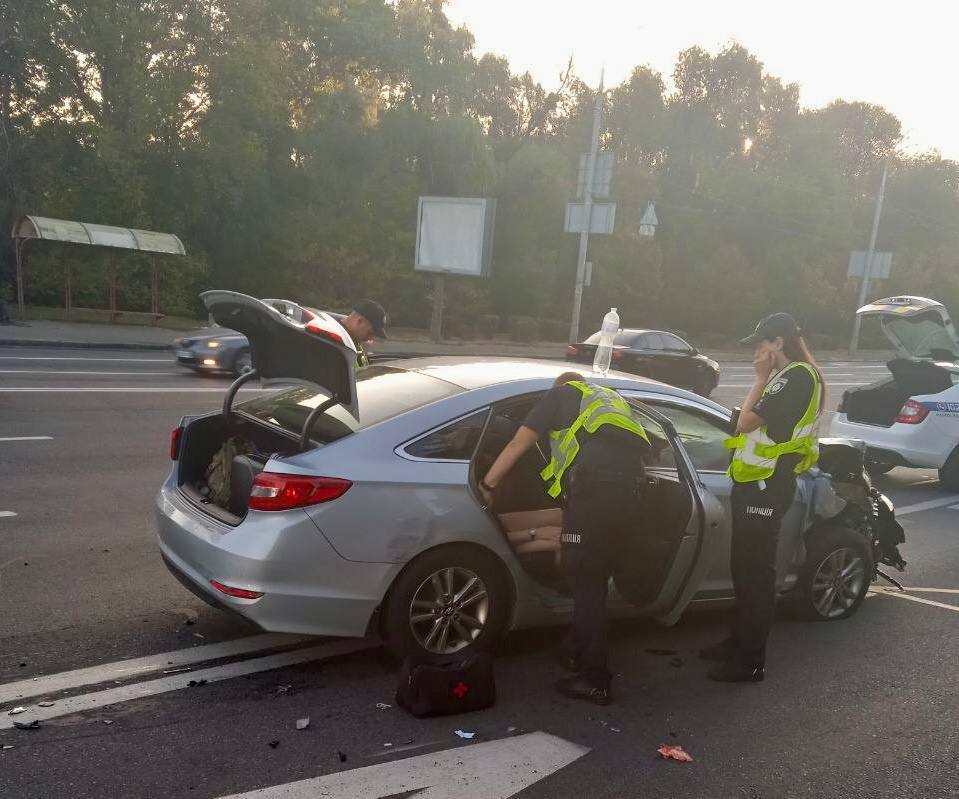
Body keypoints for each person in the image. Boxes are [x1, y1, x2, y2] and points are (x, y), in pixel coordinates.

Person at [479, 371, 651, 705]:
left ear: (561, 387)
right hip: (632, 490)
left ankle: (594, 680)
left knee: (587, 582)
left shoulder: (558, 395)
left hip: (594, 490)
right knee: (596, 573)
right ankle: (573, 649)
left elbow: (518, 443)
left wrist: (488, 484)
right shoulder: (607, 400)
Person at [702, 313, 824, 682]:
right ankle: (737, 641)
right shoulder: (784, 378)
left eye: (761, 345)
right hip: (755, 482)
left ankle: (750, 660)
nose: (757, 353)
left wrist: (758, 379)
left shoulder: (798, 377)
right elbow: (747, 421)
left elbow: (747, 422)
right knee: (744, 567)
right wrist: (763, 380)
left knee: (756, 573)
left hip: (768, 486)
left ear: (779, 343)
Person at [309, 299, 388, 367]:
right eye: (370, 332)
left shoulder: (354, 342)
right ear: (359, 321)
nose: (370, 338)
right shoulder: (332, 342)